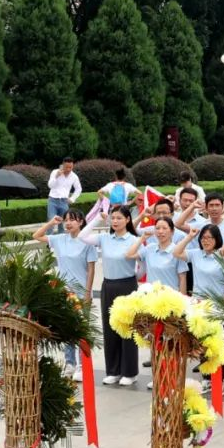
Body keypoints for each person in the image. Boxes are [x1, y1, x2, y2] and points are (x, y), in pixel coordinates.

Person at [79, 206, 140, 387]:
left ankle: (130, 372)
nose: (115, 221)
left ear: (127, 220)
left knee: (128, 329)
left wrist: (135, 278)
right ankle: (113, 371)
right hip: (108, 286)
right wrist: (98, 218)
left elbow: (142, 262)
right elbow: (82, 236)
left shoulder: (134, 239)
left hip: (128, 286)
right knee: (110, 328)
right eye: (113, 218)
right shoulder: (104, 238)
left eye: (119, 218)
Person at [33, 210, 96, 378]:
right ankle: (70, 364)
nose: (68, 223)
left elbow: (91, 269)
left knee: (81, 331)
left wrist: (87, 292)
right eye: (66, 220)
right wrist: (51, 223)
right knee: (66, 329)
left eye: (72, 220)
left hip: (81, 293)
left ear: (81, 222)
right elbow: (36, 236)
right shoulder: (60, 239)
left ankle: (83, 366)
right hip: (64, 293)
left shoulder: (87, 242)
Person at [174, 223, 224, 376]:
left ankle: (217, 380)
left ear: (217, 239)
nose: (206, 241)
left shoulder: (223, 256)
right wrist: (190, 236)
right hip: (198, 305)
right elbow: (176, 252)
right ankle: (206, 377)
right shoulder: (196, 254)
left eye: (210, 238)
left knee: (215, 344)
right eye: (203, 238)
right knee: (201, 341)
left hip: (217, 306)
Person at [47, 158, 82, 233]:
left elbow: (79, 189)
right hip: (53, 200)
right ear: (63, 165)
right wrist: (56, 176)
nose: (68, 169)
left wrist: (72, 199)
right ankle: (48, 240)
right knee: (51, 222)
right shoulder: (55, 172)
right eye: (67, 167)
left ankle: (62, 239)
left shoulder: (74, 176)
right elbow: (50, 185)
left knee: (63, 223)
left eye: (70, 167)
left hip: (64, 202)